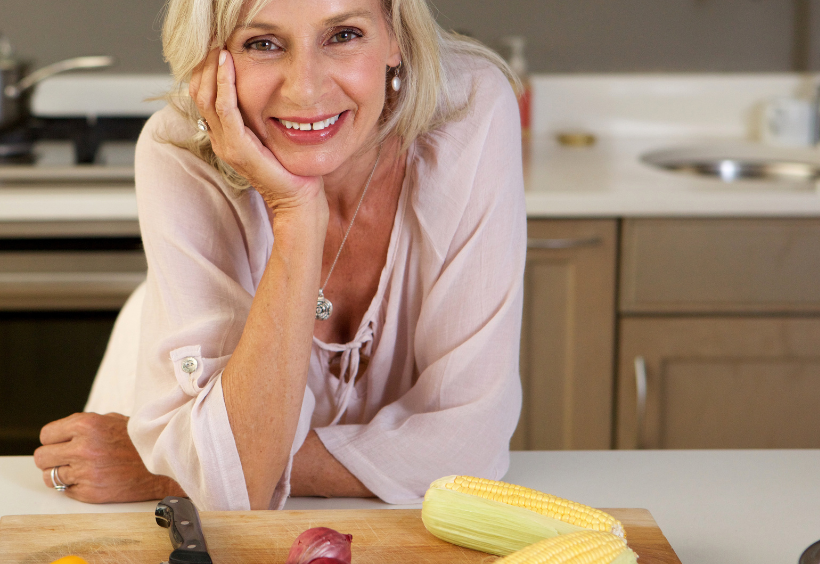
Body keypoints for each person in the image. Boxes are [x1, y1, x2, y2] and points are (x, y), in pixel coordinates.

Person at [34, 0, 527, 511]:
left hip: (143, 467)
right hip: (152, 500)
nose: (306, 89)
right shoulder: (177, 148)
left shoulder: (469, 108)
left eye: (343, 36)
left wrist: (169, 469)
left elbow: (473, 447)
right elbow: (238, 492)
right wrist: (295, 210)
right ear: (210, 61)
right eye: (261, 44)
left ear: (395, 36)